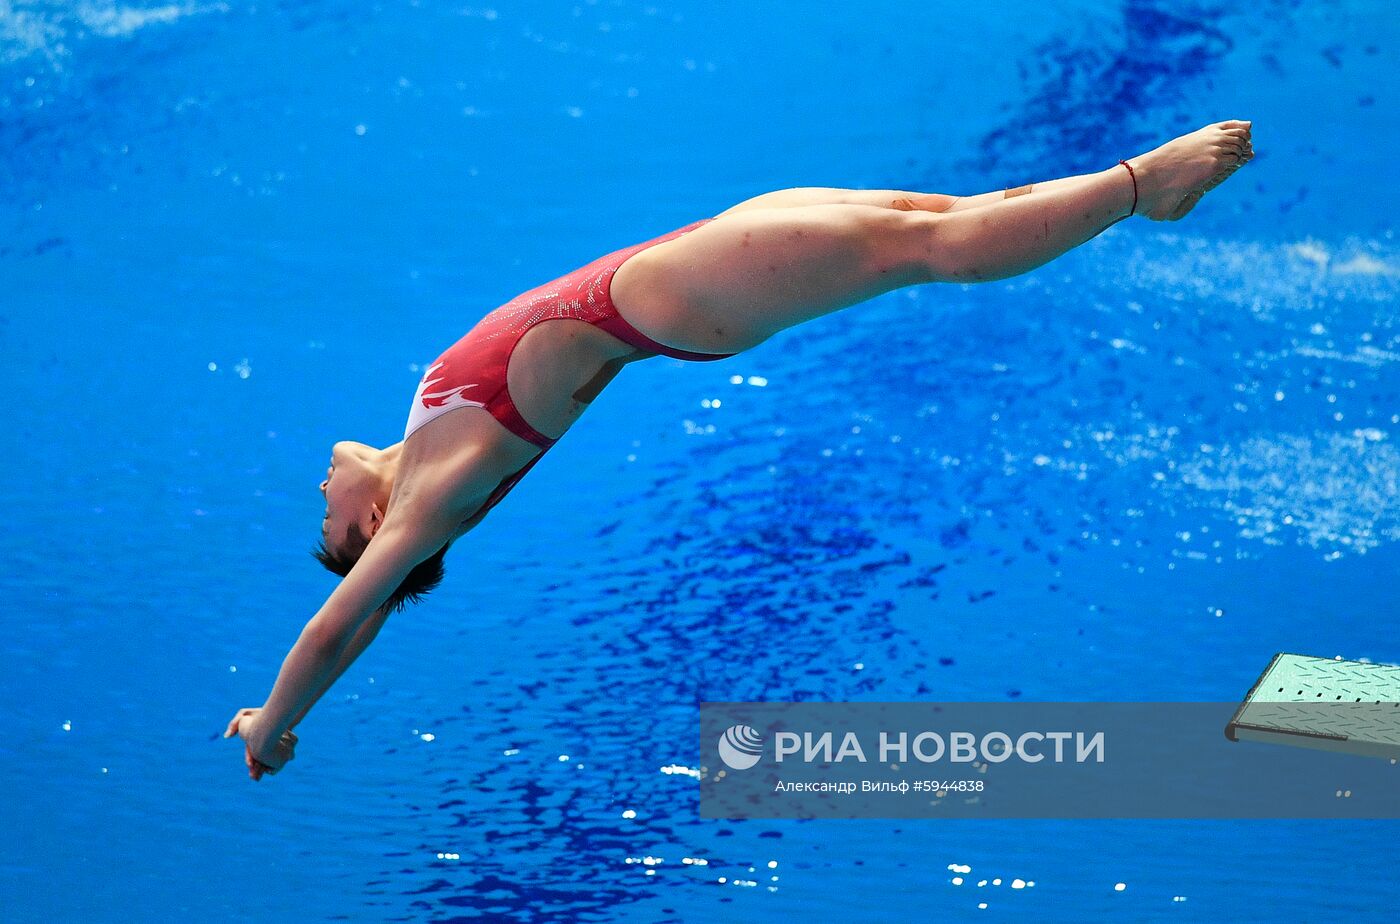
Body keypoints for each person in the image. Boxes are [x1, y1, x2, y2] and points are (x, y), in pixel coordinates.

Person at [226, 120, 1255, 779]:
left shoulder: (423, 451)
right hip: (692, 293)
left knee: (934, 214)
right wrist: (274, 720)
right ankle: (1138, 185)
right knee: (930, 249)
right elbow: (337, 630)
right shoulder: (430, 497)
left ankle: (1132, 182)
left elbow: (359, 613)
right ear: (367, 530)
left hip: (690, 257)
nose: (317, 488)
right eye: (324, 518)